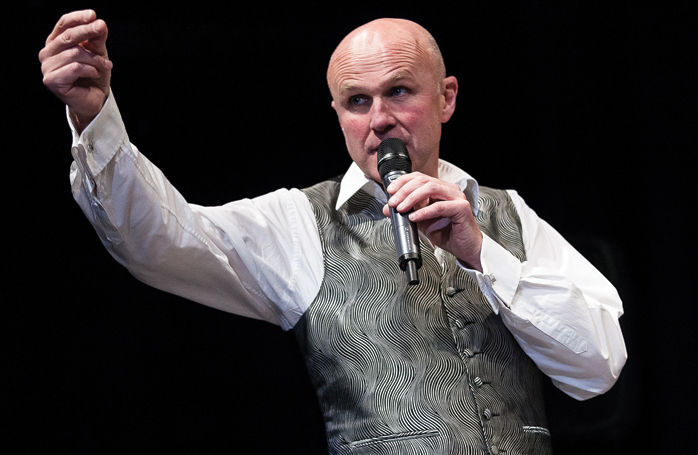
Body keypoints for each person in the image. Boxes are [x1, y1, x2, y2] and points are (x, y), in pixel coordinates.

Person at [39, 10, 627, 455]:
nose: (378, 121)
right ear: (338, 115)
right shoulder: (302, 224)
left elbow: (598, 368)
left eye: (398, 91)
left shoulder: (508, 216)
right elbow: (159, 238)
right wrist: (95, 118)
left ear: (445, 97)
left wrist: (480, 252)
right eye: (356, 101)